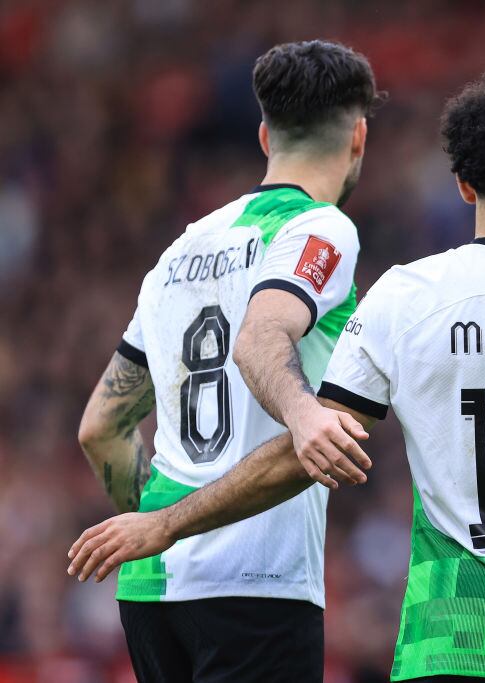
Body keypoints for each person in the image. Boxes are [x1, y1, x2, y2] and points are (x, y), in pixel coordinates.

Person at [69, 61, 485, 683]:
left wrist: (168, 520)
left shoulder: (403, 297)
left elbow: (303, 448)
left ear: (464, 186)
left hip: (446, 643)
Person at [74, 40, 380, 682]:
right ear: (357, 137)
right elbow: (259, 339)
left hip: (151, 591)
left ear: (266, 137)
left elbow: (100, 428)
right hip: (256, 585)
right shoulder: (322, 229)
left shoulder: (178, 252)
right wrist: (304, 415)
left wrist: (154, 522)